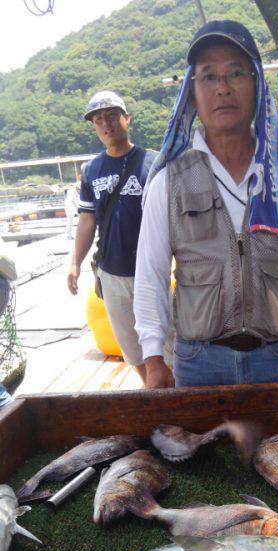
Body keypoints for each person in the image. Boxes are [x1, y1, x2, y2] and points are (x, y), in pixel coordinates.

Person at [134, 20, 278, 390]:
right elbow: (151, 274)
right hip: (199, 362)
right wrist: (153, 358)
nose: (223, 88)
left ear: (257, 84)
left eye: (236, 73)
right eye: (208, 77)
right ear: (192, 93)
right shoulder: (168, 181)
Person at [67, 90, 155, 385]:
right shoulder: (91, 170)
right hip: (111, 272)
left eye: (112, 116)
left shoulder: (153, 163)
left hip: (151, 270)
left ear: (126, 118)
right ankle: (150, 389)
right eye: (98, 120)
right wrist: (75, 263)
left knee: (166, 340)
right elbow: (87, 219)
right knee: (131, 346)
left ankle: (173, 393)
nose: (106, 124)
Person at [64, 175, 81, 240]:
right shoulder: (71, 191)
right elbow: (71, 202)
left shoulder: (78, 189)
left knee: (82, 220)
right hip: (70, 207)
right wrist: (76, 211)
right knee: (70, 221)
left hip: (77, 207)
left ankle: (81, 235)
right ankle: (68, 235)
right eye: (79, 189)